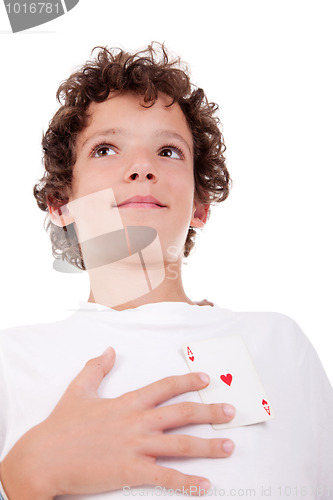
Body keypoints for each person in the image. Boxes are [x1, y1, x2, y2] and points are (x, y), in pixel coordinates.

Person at [0, 42, 332, 500]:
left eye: (169, 152)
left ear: (200, 206)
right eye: (106, 149)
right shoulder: (10, 360)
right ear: (61, 204)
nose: (141, 167)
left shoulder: (279, 342)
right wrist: (23, 476)